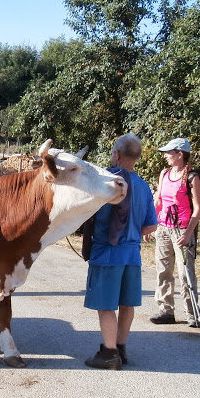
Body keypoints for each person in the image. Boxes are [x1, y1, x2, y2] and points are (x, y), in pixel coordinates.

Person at [84, 134, 158, 369]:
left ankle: (109, 353)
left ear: (116, 154)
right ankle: (121, 348)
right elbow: (151, 226)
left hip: (107, 253)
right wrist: (132, 230)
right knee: (127, 304)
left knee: (106, 305)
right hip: (132, 254)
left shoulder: (104, 180)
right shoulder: (144, 186)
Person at [149, 137, 200, 327]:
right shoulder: (164, 174)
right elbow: (158, 201)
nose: (165, 156)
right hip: (163, 228)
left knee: (185, 272)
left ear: (180, 154)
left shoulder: (191, 177)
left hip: (182, 230)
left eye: (169, 152)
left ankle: (192, 313)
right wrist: (151, 224)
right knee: (163, 270)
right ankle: (166, 311)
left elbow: (197, 209)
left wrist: (187, 233)